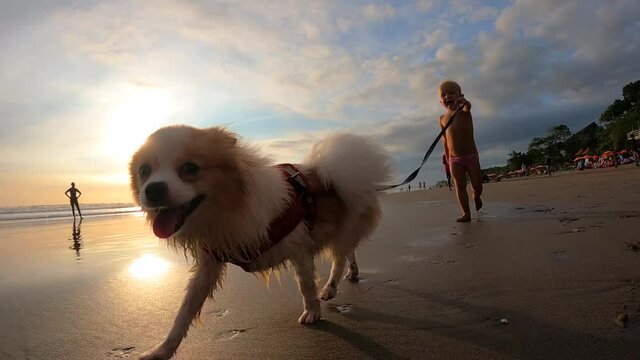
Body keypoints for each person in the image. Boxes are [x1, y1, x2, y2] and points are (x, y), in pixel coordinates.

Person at [438, 80, 482, 222]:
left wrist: (466, 103)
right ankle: (466, 214)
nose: (447, 97)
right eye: (443, 95)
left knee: (477, 184)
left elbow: (468, 107)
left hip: (471, 156)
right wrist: (448, 159)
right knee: (459, 186)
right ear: (440, 101)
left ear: (460, 96)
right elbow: (445, 139)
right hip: (454, 159)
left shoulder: (463, 110)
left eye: (451, 93)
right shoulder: (442, 119)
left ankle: (476, 195)